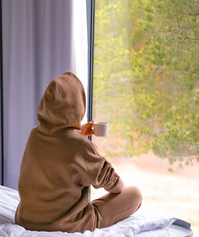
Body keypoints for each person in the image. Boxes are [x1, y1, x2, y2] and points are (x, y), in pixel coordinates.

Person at [15, 71, 142, 233]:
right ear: (78, 105)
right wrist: (88, 147)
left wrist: (78, 132)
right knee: (134, 193)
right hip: (66, 223)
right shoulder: (79, 146)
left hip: (26, 219)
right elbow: (114, 185)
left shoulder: (35, 135)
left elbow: (57, 144)